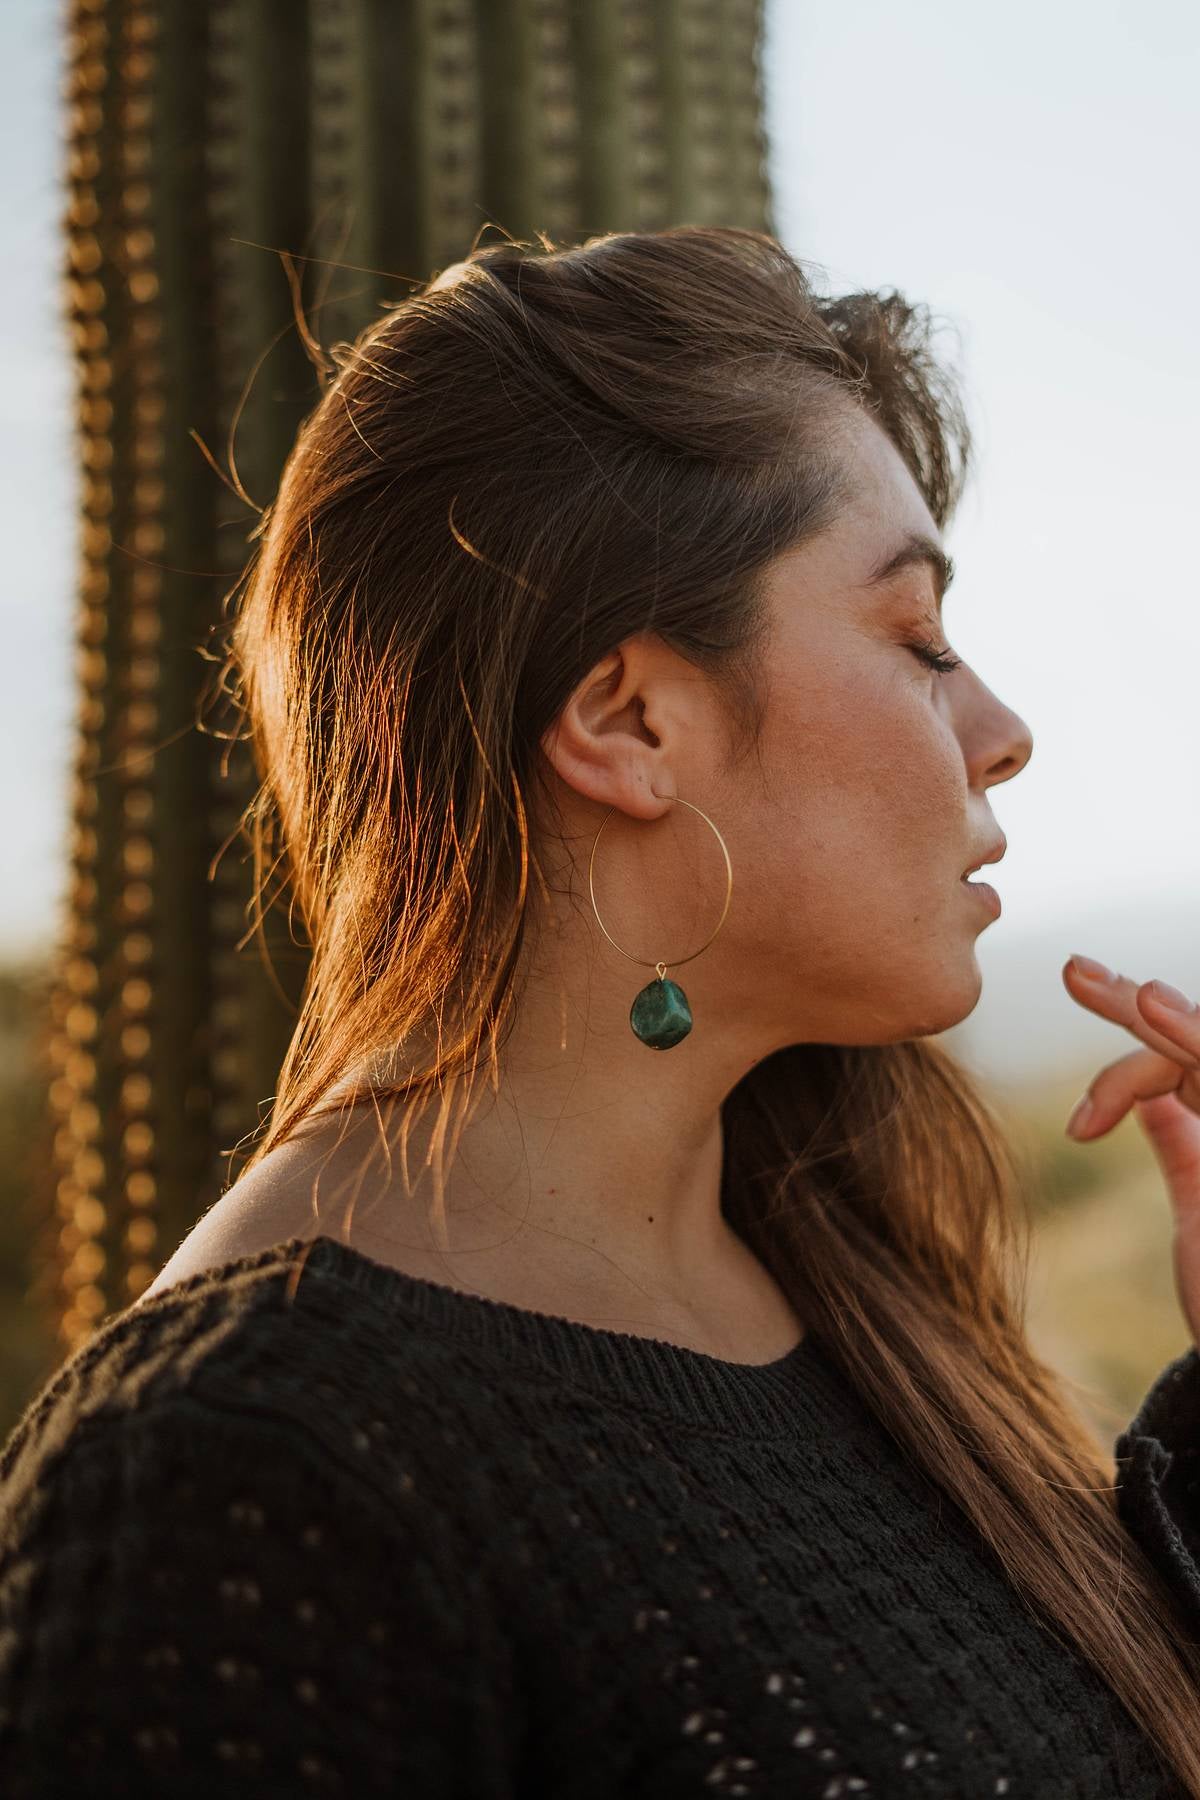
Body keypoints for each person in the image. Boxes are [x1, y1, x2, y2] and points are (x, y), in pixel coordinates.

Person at [2, 224, 1199, 1797]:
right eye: (918, 641)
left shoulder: (837, 1294)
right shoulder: (236, 1473)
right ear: (629, 723)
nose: (1004, 731)